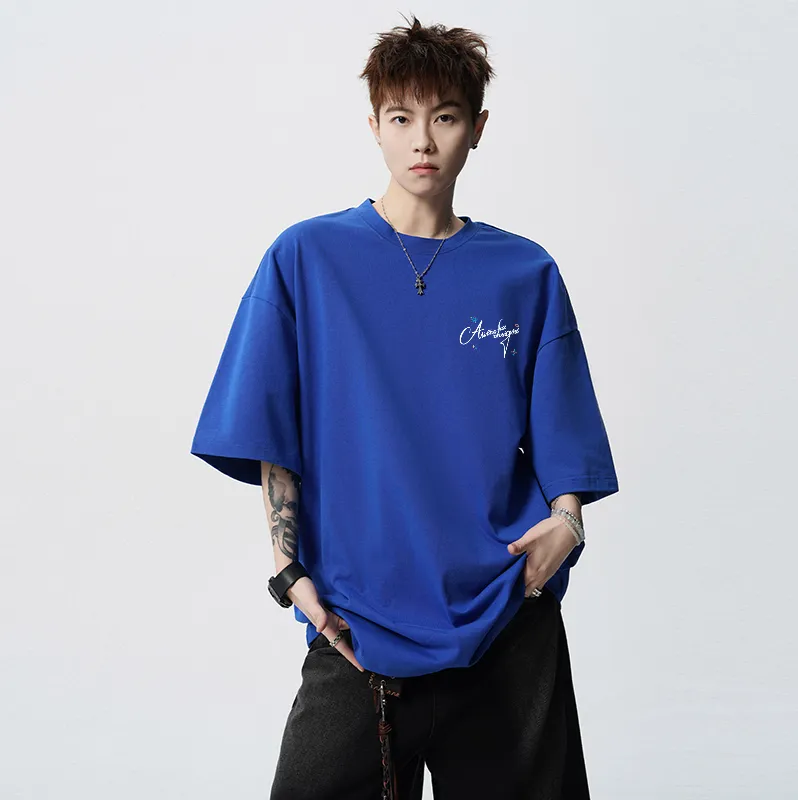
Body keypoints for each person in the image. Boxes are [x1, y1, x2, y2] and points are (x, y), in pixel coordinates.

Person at [190, 13, 619, 800]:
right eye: (401, 118)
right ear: (374, 127)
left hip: (504, 623)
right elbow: (271, 428)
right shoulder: (306, 258)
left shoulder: (524, 272)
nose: (423, 140)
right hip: (357, 627)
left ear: (477, 128)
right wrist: (288, 571)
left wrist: (568, 524)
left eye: (445, 117)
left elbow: (566, 439)